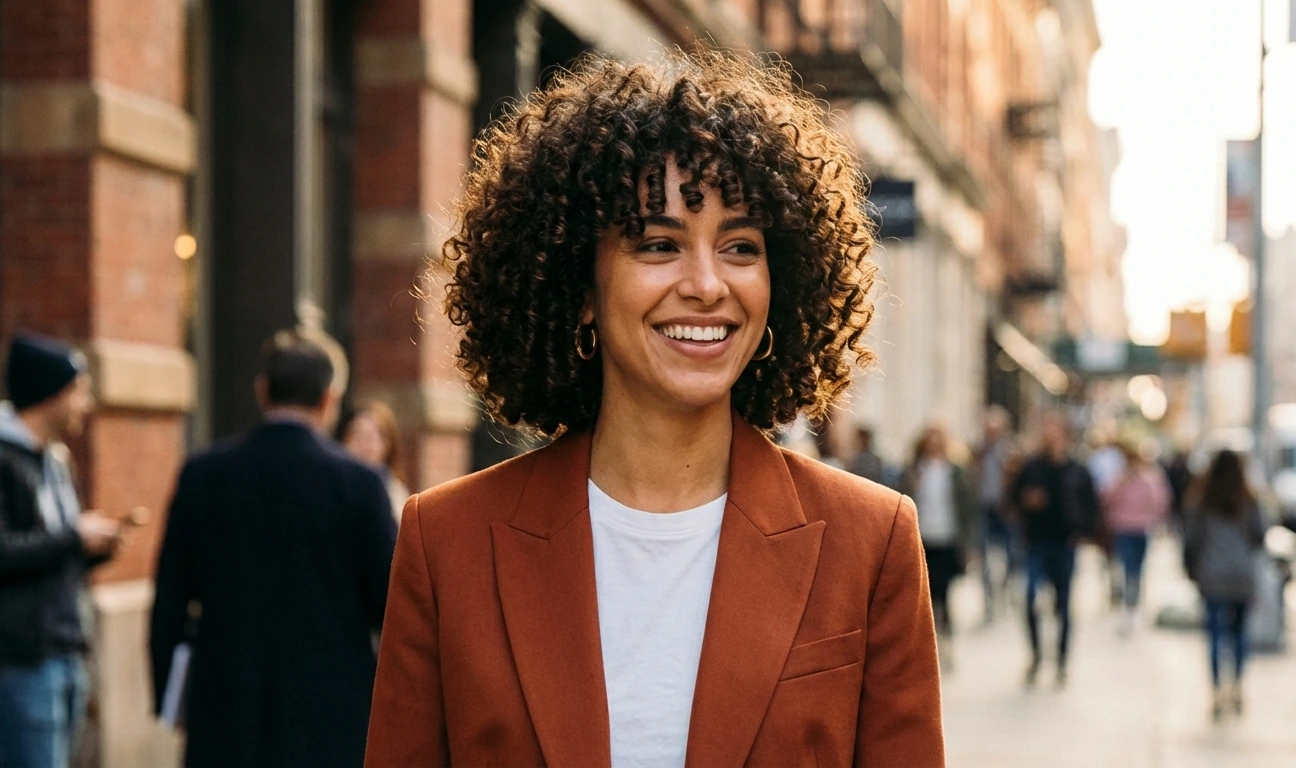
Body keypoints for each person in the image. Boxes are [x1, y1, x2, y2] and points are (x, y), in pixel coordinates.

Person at [365, 50, 945, 767]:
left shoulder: (872, 541)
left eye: (740, 246)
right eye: (658, 244)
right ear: (581, 284)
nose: (706, 284)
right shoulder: (446, 541)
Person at [149, 330, 398, 767]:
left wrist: (172, 697)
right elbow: (390, 605)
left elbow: (169, 596)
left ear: (262, 391)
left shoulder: (204, 474)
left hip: (224, 701)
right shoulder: (360, 485)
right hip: (330, 708)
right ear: (329, 399)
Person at [0, 333, 121, 768]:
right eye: (79, 392)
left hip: (64, 651)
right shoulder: (5, 459)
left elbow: (47, 550)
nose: (86, 405)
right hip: (21, 661)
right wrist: (74, 538)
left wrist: (94, 548)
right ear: (51, 395)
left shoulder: (53, 461)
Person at [1011, 412, 1100, 687]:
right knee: (1030, 598)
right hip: (1037, 542)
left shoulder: (1077, 470)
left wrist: (1081, 531)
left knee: (1063, 604)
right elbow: (1013, 497)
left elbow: (1091, 505)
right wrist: (1026, 501)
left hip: (1065, 543)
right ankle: (1037, 654)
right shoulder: (1031, 467)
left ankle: (1061, 659)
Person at [1183, 448, 1266, 721]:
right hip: (1242, 575)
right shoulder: (1249, 500)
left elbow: (1191, 539)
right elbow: (1260, 534)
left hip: (1212, 574)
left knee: (1216, 635)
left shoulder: (1202, 500)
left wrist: (1191, 568)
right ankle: (1238, 684)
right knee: (1240, 633)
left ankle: (1218, 689)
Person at [902, 423, 977, 662]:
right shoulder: (915, 469)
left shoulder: (955, 471)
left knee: (944, 594)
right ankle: (929, 646)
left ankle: (946, 642)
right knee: (924, 598)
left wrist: (969, 545)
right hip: (921, 540)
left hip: (947, 539)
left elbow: (967, 509)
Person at [1103, 441, 1171, 636]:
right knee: (1124, 569)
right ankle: (1124, 606)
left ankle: (1132, 607)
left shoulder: (1150, 479)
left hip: (1141, 529)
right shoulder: (1119, 479)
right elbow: (1106, 498)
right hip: (1122, 528)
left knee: (1136, 570)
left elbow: (1160, 501)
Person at [973, 406, 1018, 621]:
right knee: (985, 558)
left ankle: (1006, 591)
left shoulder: (1010, 452)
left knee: (1011, 555)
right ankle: (989, 600)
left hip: (1005, 510)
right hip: (983, 508)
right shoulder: (977, 453)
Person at [339, 399, 410, 521]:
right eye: (356, 436)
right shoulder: (332, 486)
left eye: (370, 438)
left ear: (388, 445)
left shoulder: (394, 494)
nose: (363, 445)